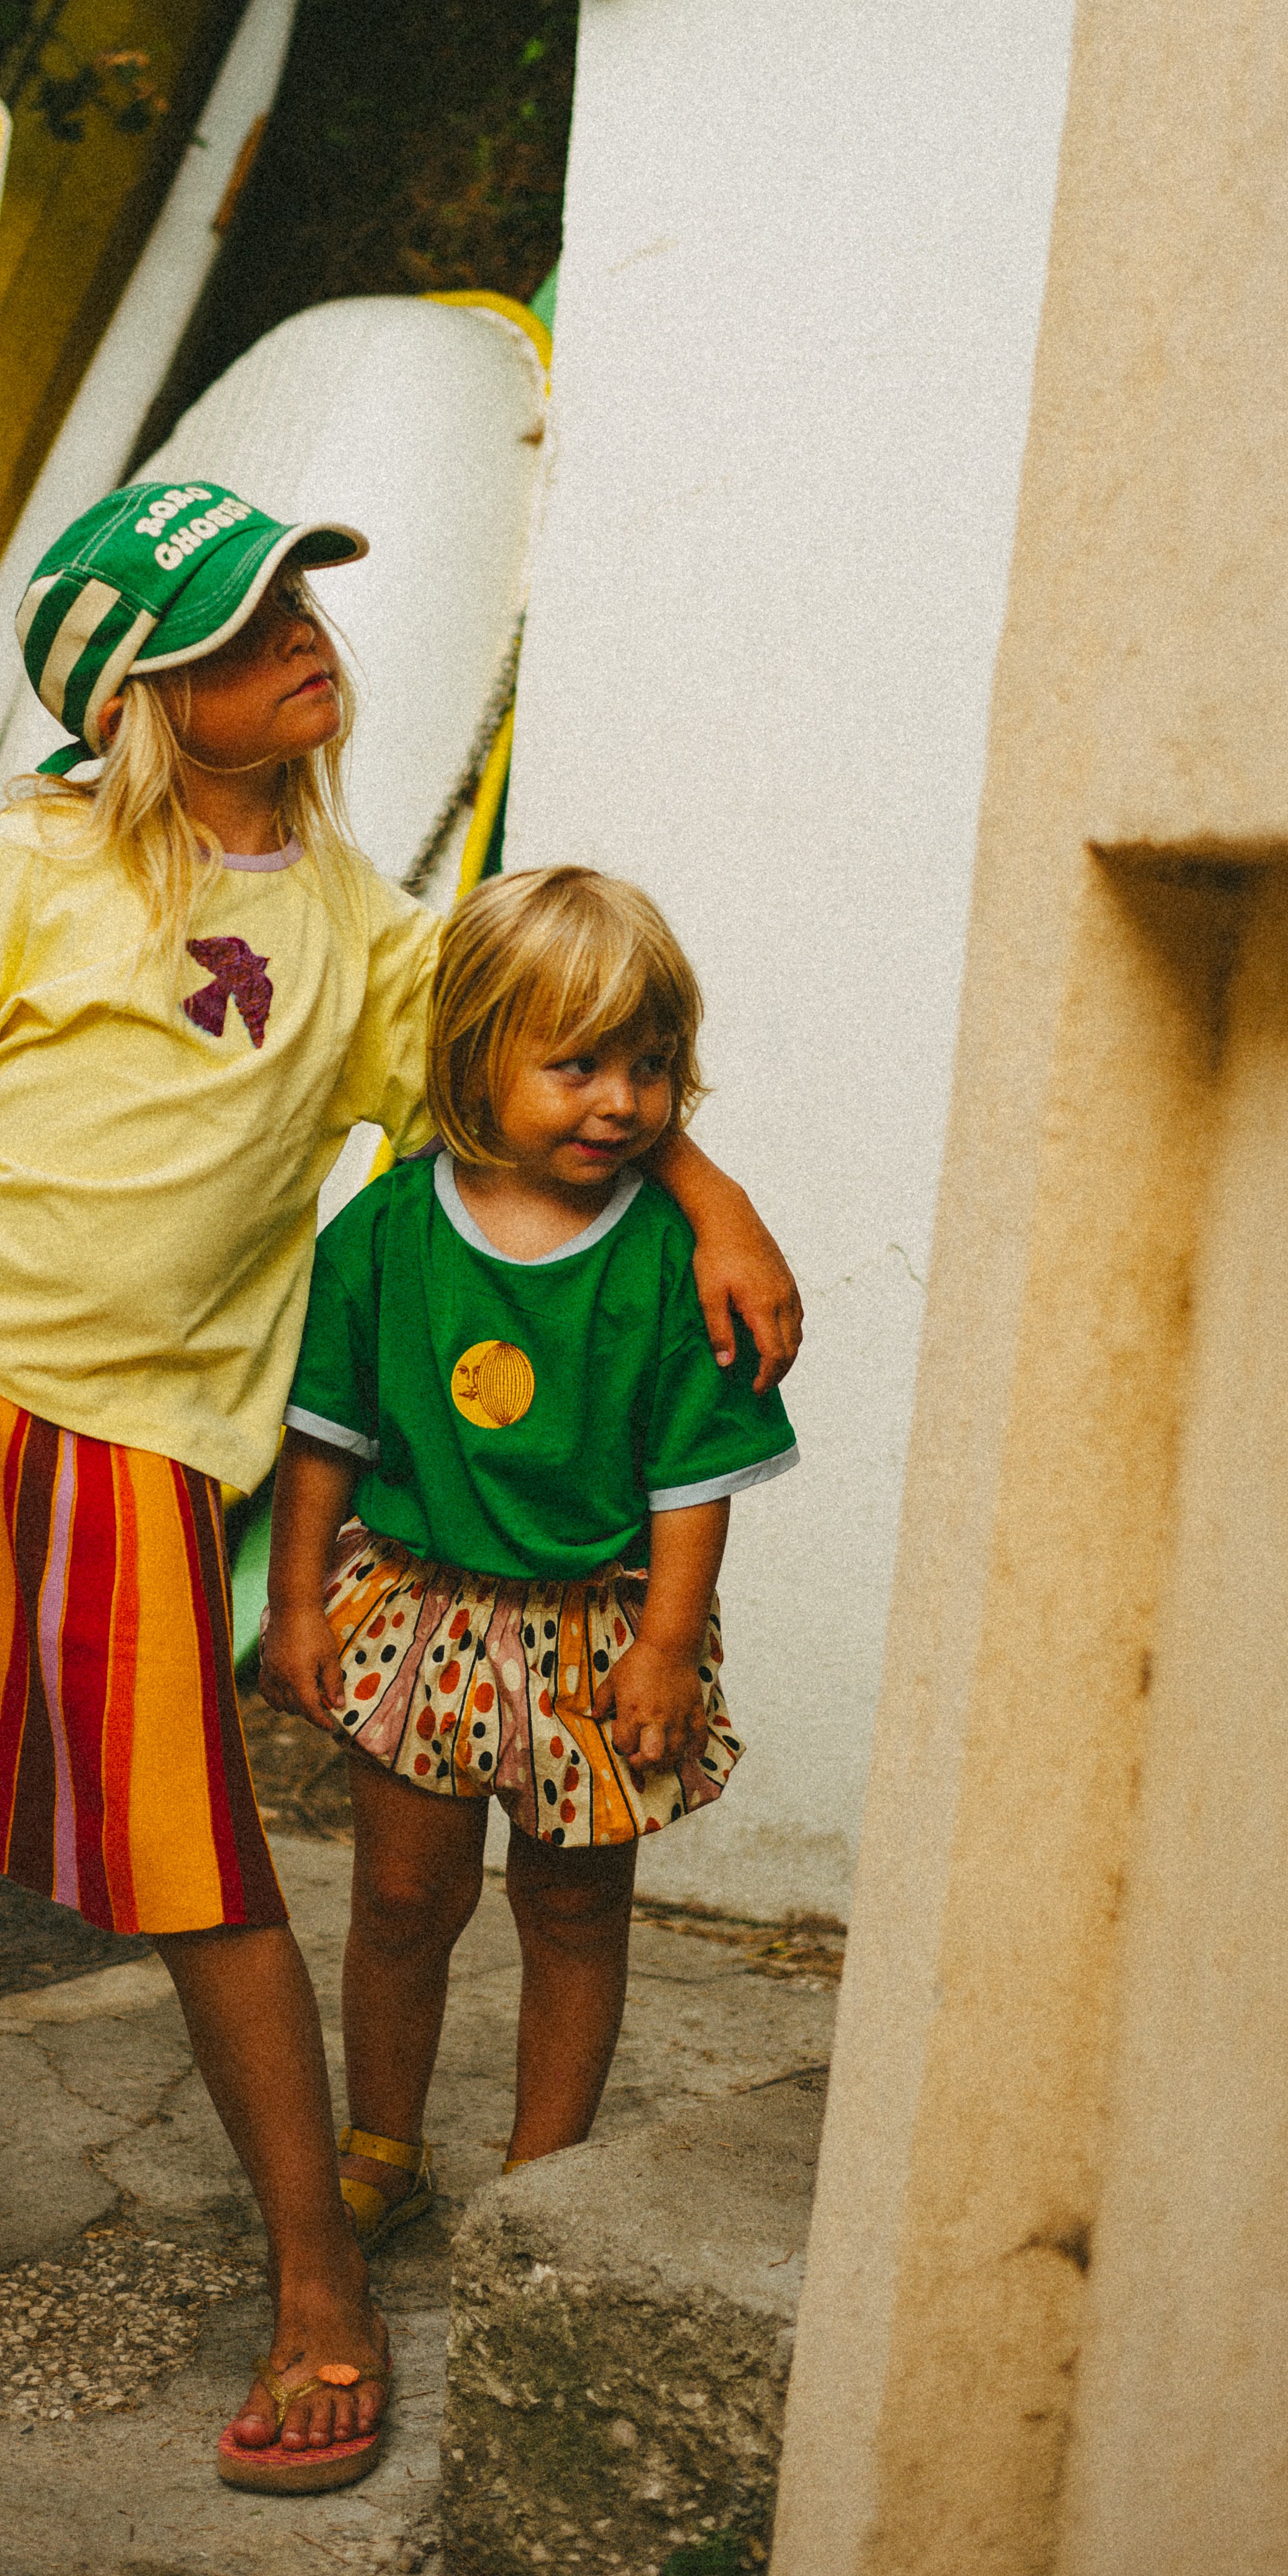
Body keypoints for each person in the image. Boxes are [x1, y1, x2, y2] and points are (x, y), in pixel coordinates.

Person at [0, 478, 801, 2493]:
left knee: (192, 1871)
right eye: (234, 625)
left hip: (134, 1448)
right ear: (145, 693)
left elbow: (522, 1051)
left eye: (295, 595)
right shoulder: (20, 872)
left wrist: (711, 1194)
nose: (301, 631)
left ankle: (319, 2278)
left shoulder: (361, 923)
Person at [259, 867, 797, 2245]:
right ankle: (380, 2144)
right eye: (575, 1066)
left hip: (600, 1636)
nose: (619, 1101)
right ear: (472, 1054)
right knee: (397, 1895)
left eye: (649, 1067)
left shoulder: (675, 1255)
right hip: (421, 1609)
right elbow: (324, 1433)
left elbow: (692, 1481)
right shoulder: (385, 1229)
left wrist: (670, 1648)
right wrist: (296, 1601)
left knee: (572, 1912)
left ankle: (542, 2186)